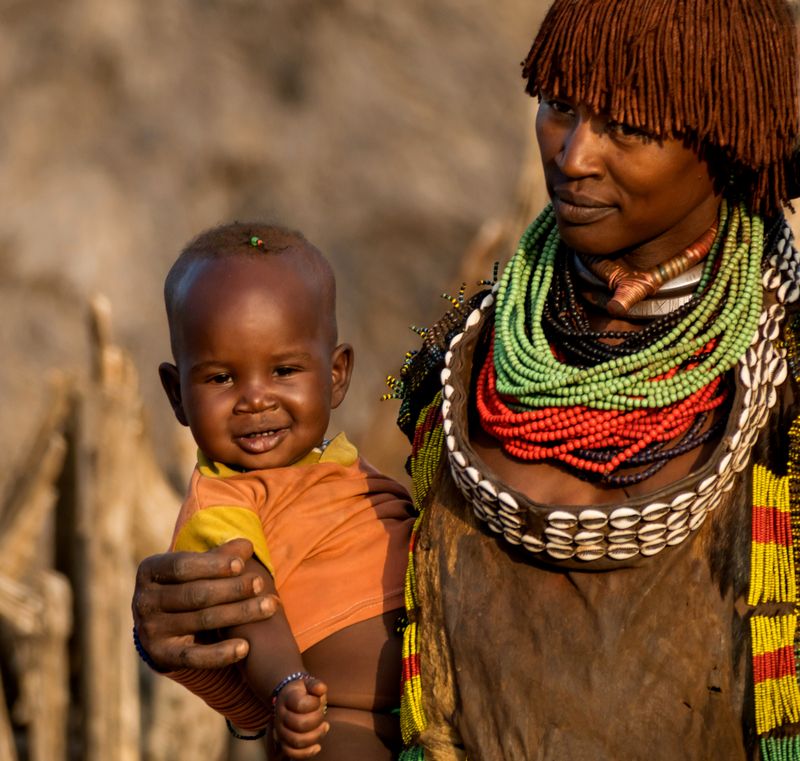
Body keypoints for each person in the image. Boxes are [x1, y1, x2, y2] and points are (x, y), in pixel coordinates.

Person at [132, 1, 800, 758]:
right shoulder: (459, 352)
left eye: (629, 127)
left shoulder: (782, 383)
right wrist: (197, 641)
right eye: (559, 106)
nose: (574, 154)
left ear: (732, 139)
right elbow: (362, 628)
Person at [151, 222, 413, 759]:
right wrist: (288, 685)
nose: (254, 399)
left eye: (284, 370)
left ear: (336, 375)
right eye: (221, 378)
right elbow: (247, 599)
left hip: (429, 693)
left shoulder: (345, 466)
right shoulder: (223, 500)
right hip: (333, 716)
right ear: (177, 395)